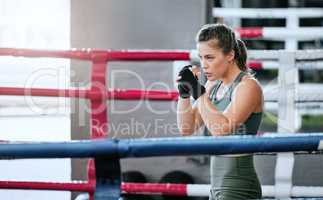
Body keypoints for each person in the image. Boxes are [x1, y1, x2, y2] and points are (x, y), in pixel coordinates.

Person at [176, 23, 263, 200]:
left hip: (239, 183)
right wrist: (184, 94)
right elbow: (187, 128)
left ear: (230, 54)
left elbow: (221, 130)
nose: (204, 65)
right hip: (216, 184)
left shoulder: (247, 86)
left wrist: (198, 92)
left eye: (210, 57)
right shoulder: (213, 85)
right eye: (201, 58)